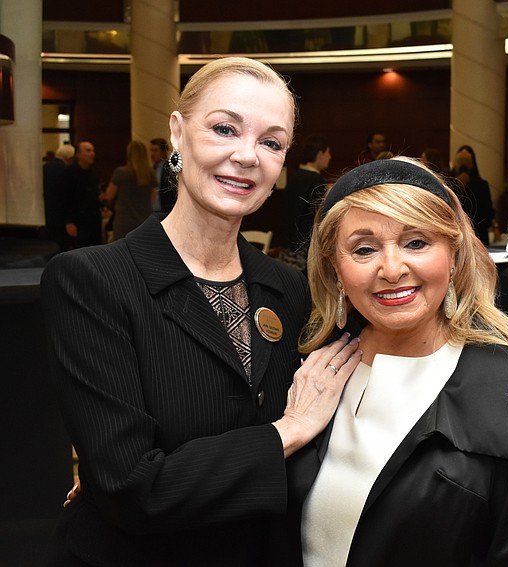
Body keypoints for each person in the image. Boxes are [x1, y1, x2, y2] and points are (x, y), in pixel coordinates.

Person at [41, 56, 361, 566]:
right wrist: (289, 430)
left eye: (271, 142)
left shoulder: (289, 289)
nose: (247, 155)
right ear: (177, 133)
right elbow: (133, 489)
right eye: (224, 129)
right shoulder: (92, 280)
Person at [288, 157, 508, 566]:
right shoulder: (309, 370)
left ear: (453, 255)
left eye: (416, 242)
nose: (392, 268)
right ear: (335, 269)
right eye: (364, 249)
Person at [277, 134, 331, 271]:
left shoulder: (295, 176)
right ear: (320, 154)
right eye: (328, 153)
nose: (330, 157)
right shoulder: (315, 180)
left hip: (287, 242)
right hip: (303, 246)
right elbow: (317, 213)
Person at [103, 140, 157, 240]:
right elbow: (152, 200)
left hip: (124, 220)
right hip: (144, 221)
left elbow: (109, 194)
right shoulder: (151, 174)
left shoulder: (121, 172)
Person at [62, 141, 104, 248]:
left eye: (93, 151)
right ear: (78, 154)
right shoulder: (69, 174)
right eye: (88, 151)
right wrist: (69, 221)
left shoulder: (93, 174)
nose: (92, 153)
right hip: (78, 221)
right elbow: (64, 199)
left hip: (93, 220)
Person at [450, 145, 494, 246]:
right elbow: (489, 212)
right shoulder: (481, 185)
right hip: (479, 236)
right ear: (472, 164)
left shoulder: (449, 185)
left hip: (457, 237)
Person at [43, 143, 76, 251]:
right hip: (61, 217)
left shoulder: (44, 168)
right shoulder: (66, 171)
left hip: (47, 215)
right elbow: (68, 197)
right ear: (70, 158)